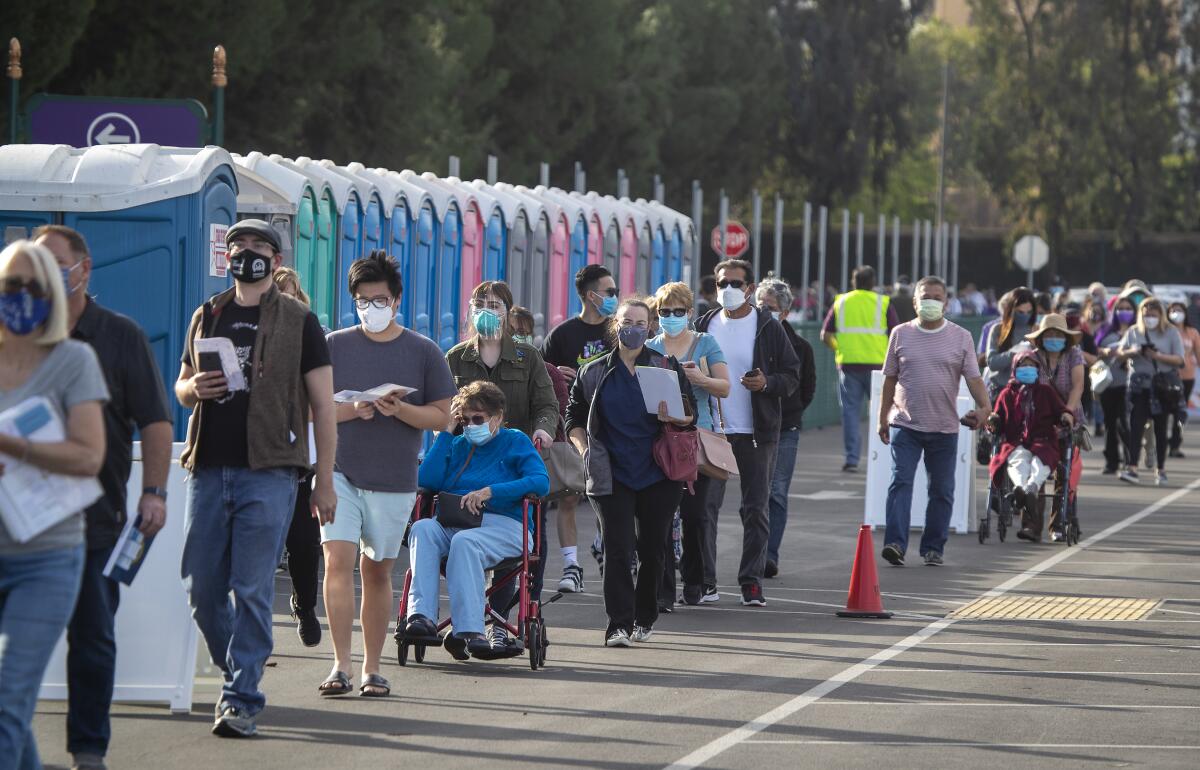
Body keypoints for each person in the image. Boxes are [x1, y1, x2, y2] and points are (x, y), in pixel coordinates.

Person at [175, 219, 337, 738]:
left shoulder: (299, 320)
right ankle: (237, 670)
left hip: (269, 472)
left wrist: (324, 479)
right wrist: (191, 388)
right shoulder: (209, 313)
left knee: (251, 588)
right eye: (238, 246)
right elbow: (180, 385)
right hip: (207, 467)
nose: (247, 253)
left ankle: (242, 697)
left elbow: (324, 408)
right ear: (226, 256)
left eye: (259, 247)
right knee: (201, 587)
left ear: (275, 257)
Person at [34, 226, 173, 770]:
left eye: (56, 264)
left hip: (95, 520)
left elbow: (156, 423)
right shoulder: (17, 334)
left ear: (84, 270)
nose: (44, 278)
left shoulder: (119, 335)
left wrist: (155, 493)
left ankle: (88, 750)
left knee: (91, 639)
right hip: (19, 523)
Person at [320, 251, 456, 698]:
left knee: (376, 572)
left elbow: (444, 417)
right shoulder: (333, 345)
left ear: (396, 300)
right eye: (362, 300)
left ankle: (371, 668)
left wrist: (402, 410)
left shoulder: (423, 351)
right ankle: (340, 665)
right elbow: (310, 408)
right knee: (337, 562)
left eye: (379, 300)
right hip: (339, 472)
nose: (370, 308)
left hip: (395, 478)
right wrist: (350, 410)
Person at [0, 241, 107, 770]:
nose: (20, 297)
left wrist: (12, 445)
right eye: (9, 286)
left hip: (45, 558)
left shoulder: (72, 360)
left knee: (6, 700)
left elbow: (89, 456)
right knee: (7, 712)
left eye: (33, 286)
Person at [565, 297, 695, 645]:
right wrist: (585, 449)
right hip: (611, 473)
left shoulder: (665, 366)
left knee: (654, 549)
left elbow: (690, 414)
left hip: (658, 474)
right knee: (618, 548)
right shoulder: (594, 371)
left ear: (649, 326)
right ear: (615, 324)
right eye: (627, 322)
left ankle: (645, 616)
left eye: (640, 323)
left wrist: (675, 417)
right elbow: (573, 418)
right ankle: (618, 624)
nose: (633, 329)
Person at [446, 281, 558, 653]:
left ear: (508, 312)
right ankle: (466, 620)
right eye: (480, 303)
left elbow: (547, 405)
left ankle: (498, 620)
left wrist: (542, 432)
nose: (486, 309)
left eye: (494, 304)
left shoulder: (527, 359)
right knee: (460, 542)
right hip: (467, 468)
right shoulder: (457, 358)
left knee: (517, 551)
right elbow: (442, 409)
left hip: (514, 465)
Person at [403, 381, 549, 659]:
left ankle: (470, 631)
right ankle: (421, 616)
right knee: (422, 528)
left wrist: (491, 491)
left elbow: (540, 482)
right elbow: (425, 480)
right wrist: (447, 431)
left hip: (505, 523)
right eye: (465, 419)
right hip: (457, 520)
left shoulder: (515, 441)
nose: (470, 425)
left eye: (478, 419)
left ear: (497, 417)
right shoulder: (457, 444)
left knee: (464, 542)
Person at [695, 260, 801, 606]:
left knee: (755, 508)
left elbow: (791, 375)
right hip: (714, 430)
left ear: (750, 288)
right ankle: (705, 581)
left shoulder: (768, 326)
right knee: (705, 509)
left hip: (757, 432)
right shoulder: (705, 324)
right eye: (722, 282)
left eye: (736, 283)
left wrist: (766, 383)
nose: (728, 289)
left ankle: (751, 581)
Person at [877, 275, 991, 567]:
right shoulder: (900, 333)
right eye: (925, 296)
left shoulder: (961, 337)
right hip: (906, 424)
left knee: (941, 490)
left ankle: (933, 547)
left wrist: (985, 408)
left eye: (937, 297)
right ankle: (895, 544)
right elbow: (889, 379)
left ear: (946, 303)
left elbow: (974, 379)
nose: (931, 302)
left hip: (944, 428)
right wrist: (882, 419)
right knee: (900, 482)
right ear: (915, 302)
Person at [645, 282, 730, 607]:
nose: (670, 317)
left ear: (690, 313)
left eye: (678, 312)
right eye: (664, 312)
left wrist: (700, 380)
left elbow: (724, 388)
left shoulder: (705, 343)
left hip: (698, 442)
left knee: (696, 516)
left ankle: (695, 581)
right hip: (659, 441)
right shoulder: (651, 345)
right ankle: (663, 591)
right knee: (660, 518)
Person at [540, 264, 618, 593]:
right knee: (570, 495)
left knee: (612, 493)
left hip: (613, 423)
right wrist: (558, 375)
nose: (615, 297)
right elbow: (540, 376)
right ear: (591, 295)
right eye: (610, 292)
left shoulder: (619, 330)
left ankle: (603, 542)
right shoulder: (562, 335)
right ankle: (572, 565)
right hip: (574, 425)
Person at [269, 267, 325, 648]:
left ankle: (304, 606)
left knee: (304, 544)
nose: (285, 302)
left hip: (303, 460)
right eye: (278, 295)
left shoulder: (310, 334)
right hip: (262, 459)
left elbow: (319, 402)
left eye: (290, 294)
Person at [756, 279, 816, 579]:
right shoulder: (747, 339)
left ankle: (769, 555)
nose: (764, 312)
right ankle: (753, 549)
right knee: (753, 495)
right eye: (760, 306)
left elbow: (807, 389)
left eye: (771, 308)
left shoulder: (801, 347)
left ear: (785, 312)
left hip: (785, 428)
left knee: (777, 493)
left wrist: (789, 413)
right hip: (752, 427)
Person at [821, 266, 898, 472]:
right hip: (879, 366)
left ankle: (852, 459)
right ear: (873, 282)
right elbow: (896, 335)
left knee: (850, 414)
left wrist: (841, 348)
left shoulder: (841, 302)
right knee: (883, 412)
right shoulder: (883, 302)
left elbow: (825, 335)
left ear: (853, 281)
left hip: (849, 365)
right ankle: (882, 457)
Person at [988, 350, 1072, 529]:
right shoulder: (1006, 394)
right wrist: (993, 420)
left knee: (1040, 461)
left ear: (1037, 369)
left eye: (1031, 365)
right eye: (1023, 365)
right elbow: (997, 417)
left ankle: (1031, 488)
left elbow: (1061, 411)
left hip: (1043, 440)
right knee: (1018, 460)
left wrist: (1066, 416)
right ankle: (1021, 489)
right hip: (1016, 441)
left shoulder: (1046, 392)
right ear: (1015, 369)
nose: (1027, 368)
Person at [1023, 314, 1085, 542]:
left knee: (1064, 469)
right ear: (1040, 337)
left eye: (1058, 334)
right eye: (1049, 334)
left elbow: (1078, 386)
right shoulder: (1032, 357)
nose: (1054, 338)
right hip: (1038, 421)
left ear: (1066, 338)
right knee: (1033, 469)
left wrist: (1067, 412)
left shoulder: (1073, 355)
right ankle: (1031, 524)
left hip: (1067, 418)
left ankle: (1058, 524)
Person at [1118, 298, 1185, 486]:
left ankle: (1161, 469)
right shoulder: (1133, 331)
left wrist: (1157, 356)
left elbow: (1180, 359)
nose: (1150, 318)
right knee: (1136, 427)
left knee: (1161, 429)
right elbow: (1119, 354)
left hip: (1162, 388)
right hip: (1140, 387)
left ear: (1161, 315)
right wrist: (1134, 351)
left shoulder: (1171, 332)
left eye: (1153, 315)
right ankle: (1132, 467)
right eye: (1146, 314)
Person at [1096, 295, 1137, 474]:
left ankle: (1131, 460)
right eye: (1121, 308)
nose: (1124, 312)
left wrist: (1127, 354)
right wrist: (1105, 351)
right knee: (1110, 423)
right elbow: (1094, 349)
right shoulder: (1106, 330)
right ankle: (1111, 461)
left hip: (1128, 384)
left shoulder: (1137, 332)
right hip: (1107, 383)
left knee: (1124, 422)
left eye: (1128, 308)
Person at [985, 287, 1037, 399]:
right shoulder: (998, 330)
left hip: (1030, 393)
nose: (1025, 315)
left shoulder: (1037, 330)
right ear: (1011, 309)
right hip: (1001, 391)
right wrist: (1016, 352)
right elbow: (992, 363)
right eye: (1020, 312)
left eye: (1029, 312)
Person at [1167, 301, 1200, 458]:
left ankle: (1175, 444)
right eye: (1173, 310)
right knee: (1164, 411)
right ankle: (1160, 441)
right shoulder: (1165, 331)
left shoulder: (1192, 333)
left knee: (1180, 413)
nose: (1176, 313)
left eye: (1179, 310)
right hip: (1167, 377)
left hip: (1187, 378)